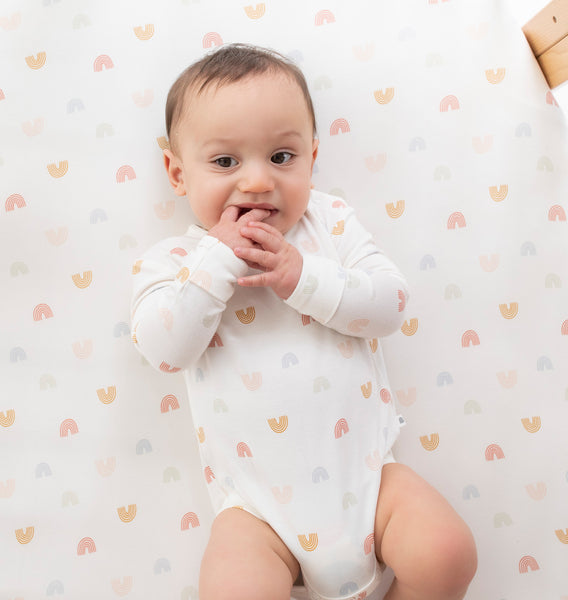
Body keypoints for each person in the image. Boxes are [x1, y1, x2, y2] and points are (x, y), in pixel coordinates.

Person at [130, 43, 477, 600]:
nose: (258, 181)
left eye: (282, 157)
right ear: (177, 172)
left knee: (448, 552)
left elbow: (389, 303)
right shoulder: (174, 265)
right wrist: (215, 261)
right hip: (259, 514)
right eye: (224, 162)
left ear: (313, 158)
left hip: (369, 484)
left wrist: (303, 278)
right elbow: (164, 349)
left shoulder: (330, 227)